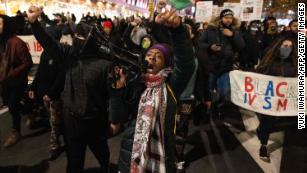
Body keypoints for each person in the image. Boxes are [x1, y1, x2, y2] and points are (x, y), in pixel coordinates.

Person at [109, 10, 195, 173]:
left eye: (158, 56)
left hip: (161, 156)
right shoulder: (135, 82)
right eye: (149, 55)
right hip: (131, 155)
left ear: (165, 65)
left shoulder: (170, 85)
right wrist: (117, 92)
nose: (152, 58)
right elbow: (119, 118)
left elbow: (186, 62)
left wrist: (178, 31)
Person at [27, 6, 111, 173]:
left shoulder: (105, 64)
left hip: (96, 121)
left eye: (81, 36)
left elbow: (112, 95)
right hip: (71, 121)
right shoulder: (69, 54)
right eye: (76, 35)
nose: (76, 38)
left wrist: (115, 119)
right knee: (74, 163)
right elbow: (48, 43)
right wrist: (34, 22)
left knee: (104, 158)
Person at [256, 36, 298, 162]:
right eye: (285, 46)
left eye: (290, 47)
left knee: (278, 122)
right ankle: (263, 145)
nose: (287, 49)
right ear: (278, 46)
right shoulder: (269, 61)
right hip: (269, 99)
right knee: (267, 121)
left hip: (285, 101)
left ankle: (262, 130)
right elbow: (258, 75)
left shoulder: (295, 63)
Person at [28, 26, 65, 161]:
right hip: (45, 95)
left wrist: (51, 93)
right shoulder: (45, 53)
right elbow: (40, 73)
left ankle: (54, 146)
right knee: (53, 120)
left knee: (54, 122)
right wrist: (32, 87)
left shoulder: (59, 53)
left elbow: (61, 76)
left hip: (54, 96)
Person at [198, 9, 244, 116]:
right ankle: (207, 109)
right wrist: (210, 47)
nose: (228, 20)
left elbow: (241, 46)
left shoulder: (235, 31)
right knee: (208, 90)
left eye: (230, 18)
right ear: (221, 18)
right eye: (226, 18)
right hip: (211, 66)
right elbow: (200, 43)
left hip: (226, 67)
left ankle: (218, 106)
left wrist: (232, 35)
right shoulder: (210, 30)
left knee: (224, 92)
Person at [0, 14, 33, 147]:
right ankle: (30, 110)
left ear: (6, 26)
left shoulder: (17, 42)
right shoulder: (2, 42)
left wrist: (10, 74)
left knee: (13, 105)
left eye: (0, 24)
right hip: (4, 82)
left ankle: (16, 132)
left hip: (16, 81)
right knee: (10, 102)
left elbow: (27, 63)